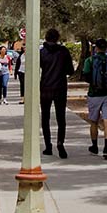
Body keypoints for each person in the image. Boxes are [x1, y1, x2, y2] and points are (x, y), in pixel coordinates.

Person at [81, 40, 107, 159]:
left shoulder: (89, 61)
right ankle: (106, 147)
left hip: (94, 94)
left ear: (96, 48)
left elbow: (85, 74)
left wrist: (94, 83)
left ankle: (94, 146)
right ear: (106, 48)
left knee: (93, 121)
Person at [38, 29, 73, 159]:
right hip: (60, 87)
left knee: (45, 117)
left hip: (45, 87)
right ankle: (60, 143)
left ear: (46, 38)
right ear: (58, 38)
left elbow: (38, 68)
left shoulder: (41, 53)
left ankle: (48, 145)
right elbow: (70, 70)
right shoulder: (64, 52)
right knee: (61, 118)